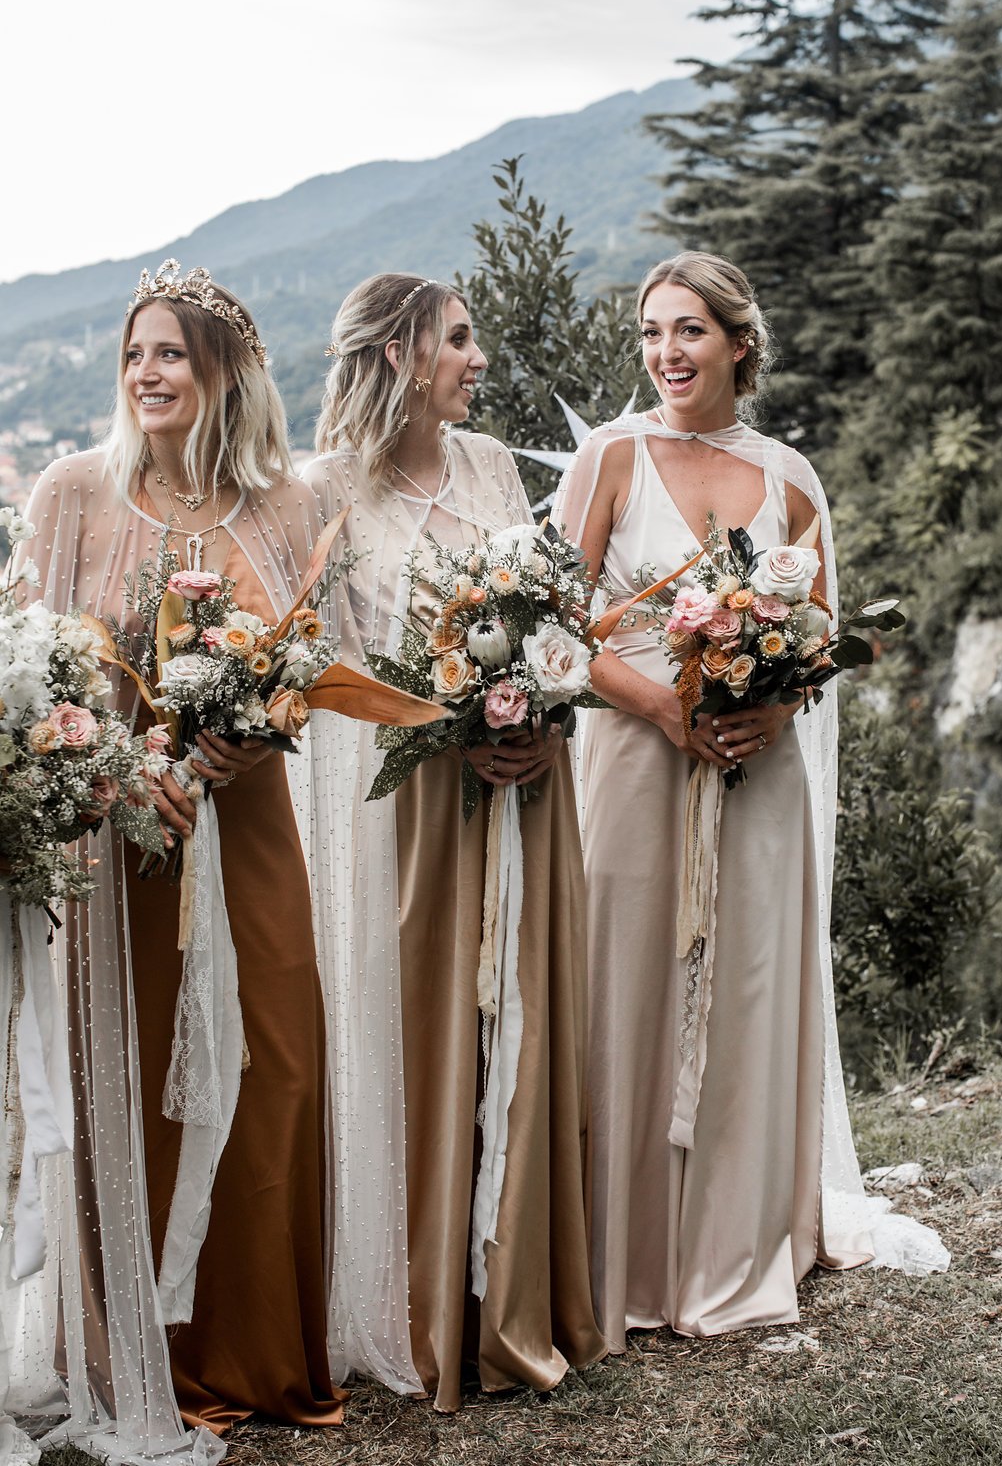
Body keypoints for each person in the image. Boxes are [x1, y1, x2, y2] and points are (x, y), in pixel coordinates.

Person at [555, 250, 946, 1354]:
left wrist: (769, 714)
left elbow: (818, 645)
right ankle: (624, 1260)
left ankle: (734, 1249)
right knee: (624, 991)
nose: (666, 354)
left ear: (738, 342)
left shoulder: (789, 478)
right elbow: (558, 628)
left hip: (758, 776)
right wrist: (667, 710)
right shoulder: (610, 458)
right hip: (635, 766)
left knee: (745, 995)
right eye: (650, 333)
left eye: (688, 331)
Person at [17, 261, 344, 1456]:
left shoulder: (288, 507)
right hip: (121, 843)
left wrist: (230, 748)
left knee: (277, 1068)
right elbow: (34, 667)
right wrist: (118, 761)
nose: (149, 374)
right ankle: (137, 1352)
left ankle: (262, 1352)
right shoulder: (70, 495)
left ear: (225, 375)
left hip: (247, 831)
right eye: (136, 353)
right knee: (135, 1080)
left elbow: (313, 672)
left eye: (173, 354)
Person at [300, 273, 605, 1412]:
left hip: (526, 792)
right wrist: (444, 723)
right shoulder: (320, 491)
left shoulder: (486, 468)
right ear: (393, 357)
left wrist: (535, 710)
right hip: (410, 815)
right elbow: (319, 680)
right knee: (420, 1043)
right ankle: (428, 1305)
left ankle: (522, 1296)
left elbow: (546, 615)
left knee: (521, 1036)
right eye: (458, 341)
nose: (479, 359)